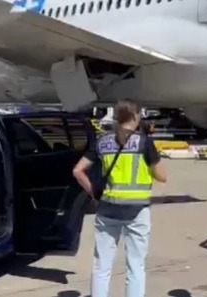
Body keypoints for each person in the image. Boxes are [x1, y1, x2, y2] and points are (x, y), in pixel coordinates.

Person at [72, 99, 167, 297]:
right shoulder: (144, 142)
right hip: (136, 211)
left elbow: (78, 171)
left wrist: (93, 191)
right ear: (134, 116)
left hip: (108, 208)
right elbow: (162, 177)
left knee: (102, 265)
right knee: (135, 266)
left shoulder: (103, 141)